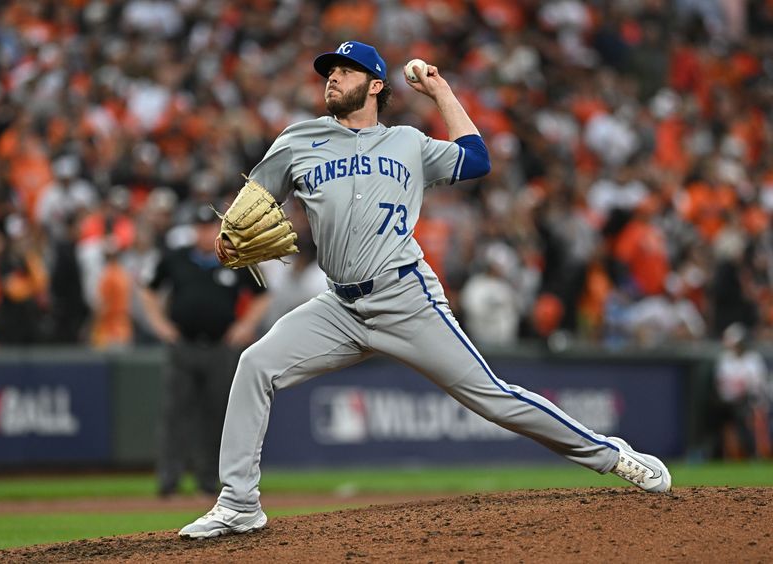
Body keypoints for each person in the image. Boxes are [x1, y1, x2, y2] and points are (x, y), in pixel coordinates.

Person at [179, 41, 672, 539]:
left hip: (406, 299)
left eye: (346, 71)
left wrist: (440, 90)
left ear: (375, 86)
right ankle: (239, 502)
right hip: (339, 307)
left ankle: (613, 455)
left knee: (494, 399)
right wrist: (228, 238)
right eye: (330, 71)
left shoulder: (408, 143)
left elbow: (476, 159)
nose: (332, 78)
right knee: (255, 365)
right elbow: (253, 200)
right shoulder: (297, 139)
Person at [140, 204, 270, 497]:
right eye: (199, 228)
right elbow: (148, 289)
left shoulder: (234, 259)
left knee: (217, 415)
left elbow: (263, 293)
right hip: (183, 344)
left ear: (219, 230)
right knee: (175, 414)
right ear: (193, 231)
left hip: (219, 346)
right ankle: (168, 481)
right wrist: (159, 324)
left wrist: (245, 325)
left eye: (209, 227)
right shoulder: (176, 258)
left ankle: (209, 481)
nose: (204, 233)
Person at [714, 323, 772, 459]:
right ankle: (721, 454)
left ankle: (754, 453)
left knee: (748, 416)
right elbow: (722, 384)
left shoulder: (753, 359)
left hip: (750, 401)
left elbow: (757, 385)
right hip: (727, 402)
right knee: (720, 419)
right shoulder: (725, 359)